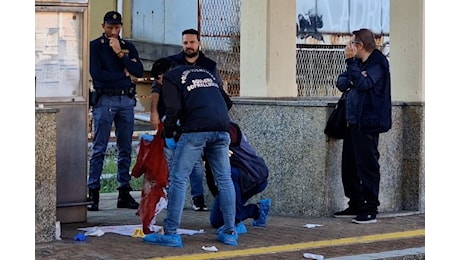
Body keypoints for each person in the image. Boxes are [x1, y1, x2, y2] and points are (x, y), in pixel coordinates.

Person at [142, 64, 237, 247]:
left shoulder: (170, 79)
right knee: (225, 179)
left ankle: (170, 233)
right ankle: (230, 232)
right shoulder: (206, 73)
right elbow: (227, 103)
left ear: (160, 77)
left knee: (178, 178)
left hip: (196, 130)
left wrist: (169, 133)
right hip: (222, 127)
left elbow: (173, 109)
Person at [167, 28, 232, 211]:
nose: (189, 46)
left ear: (199, 43)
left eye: (192, 42)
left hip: (200, 126)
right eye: (185, 43)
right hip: (196, 124)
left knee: (181, 176)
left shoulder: (209, 65)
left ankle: (171, 229)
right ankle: (229, 227)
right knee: (219, 175)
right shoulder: (174, 63)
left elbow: (221, 95)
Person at [87, 11, 144, 211]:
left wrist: (120, 53)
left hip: (126, 100)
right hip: (105, 99)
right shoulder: (95, 47)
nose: (113, 31)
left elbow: (138, 71)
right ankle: (93, 192)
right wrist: (123, 74)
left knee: (125, 147)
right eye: (110, 27)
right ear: (103, 26)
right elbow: (97, 74)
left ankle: (124, 191)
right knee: (99, 147)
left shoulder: (127, 47)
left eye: (116, 27)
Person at [333, 28, 392, 224]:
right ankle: (355, 203)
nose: (348, 47)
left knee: (367, 165)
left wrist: (352, 67)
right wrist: (355, 75)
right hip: (352, 121)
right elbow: (341, 82)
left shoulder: (377, 63)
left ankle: (370, 207)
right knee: (349, 166)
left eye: (351, 43)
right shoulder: (358, 63)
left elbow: (365, 85)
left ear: (360, 45)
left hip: (368, 122)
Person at [149, 57, 206, 210]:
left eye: (160, 79)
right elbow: (156, 91)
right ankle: (171, 197)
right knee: (171, 165)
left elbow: (175, 109)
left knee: (195, 167)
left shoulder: (182, 81)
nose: (160, 83)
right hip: (173, 128)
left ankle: (197, 198)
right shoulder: (163, 84)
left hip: (187, 129)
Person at [206, 121, 271, 232]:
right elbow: (210, 171)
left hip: (252, 176)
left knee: (229, 173)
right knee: (217, 220)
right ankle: (257, 210)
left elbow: (232, 136)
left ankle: (235, 221)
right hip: (236, 180)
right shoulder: (204, 141)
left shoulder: (229, 128)